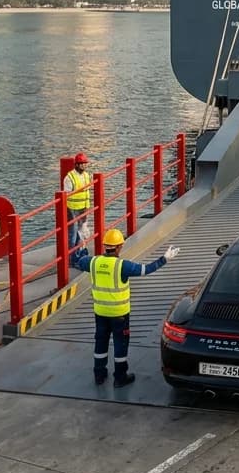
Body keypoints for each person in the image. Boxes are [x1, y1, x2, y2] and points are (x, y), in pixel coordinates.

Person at [74, 229, 178, 386]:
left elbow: (79, 261)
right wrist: (165, 259)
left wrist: (82, 243)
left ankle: (99, 375)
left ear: (104, 246)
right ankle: (120, 377)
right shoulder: (122, 266)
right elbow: (146, 270)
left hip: (100, 313)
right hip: (119, 315)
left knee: (100, 343)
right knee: (120, 345)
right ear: (119, 247)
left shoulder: (93, 262)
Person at [63, 152, 93, 267]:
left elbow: (87, 190)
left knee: (82, 232)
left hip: (83, 208)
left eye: (85, 164)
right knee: (73, 234)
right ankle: (72, 258)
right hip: (73, 209)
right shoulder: (69, 177)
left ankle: (79, 253)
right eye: (82, 164)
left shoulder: (86, 175)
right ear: (76, 165)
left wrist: (86, 207)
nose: (84, 166)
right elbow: (66, 194)